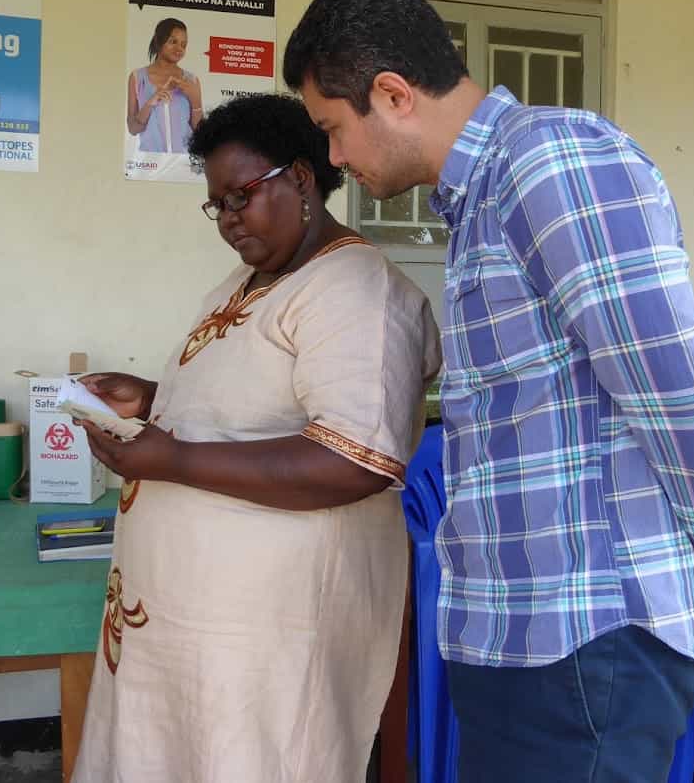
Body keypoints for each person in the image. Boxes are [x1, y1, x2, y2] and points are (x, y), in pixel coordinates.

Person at [283, 0, 694, 783]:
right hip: (526, 639)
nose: (334, 158)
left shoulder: (551, 161)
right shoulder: (483, 197)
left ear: (392, 94)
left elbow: (682, 399)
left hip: (588, 641)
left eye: (331, 129)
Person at [71, 93, 442, 782]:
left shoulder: (355, 291)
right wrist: (149, 399)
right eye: (217, 205)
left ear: (300, 178)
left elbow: (353, 460)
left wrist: (172, 459)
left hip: (269, 628)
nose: (229, 219)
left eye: (240, 196)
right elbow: (246, 405)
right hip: (189, 625)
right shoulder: (247, 281)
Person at [126, 17, 203, 153]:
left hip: (182, 161)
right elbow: (133, 129)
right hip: (151, 162)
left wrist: (195, 102)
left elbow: (200, 133)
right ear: (159, 41)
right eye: (173, 42)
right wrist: (150, 103)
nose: (179, 48)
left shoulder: (192, 80)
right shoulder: (137, 78)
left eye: (183, 45)